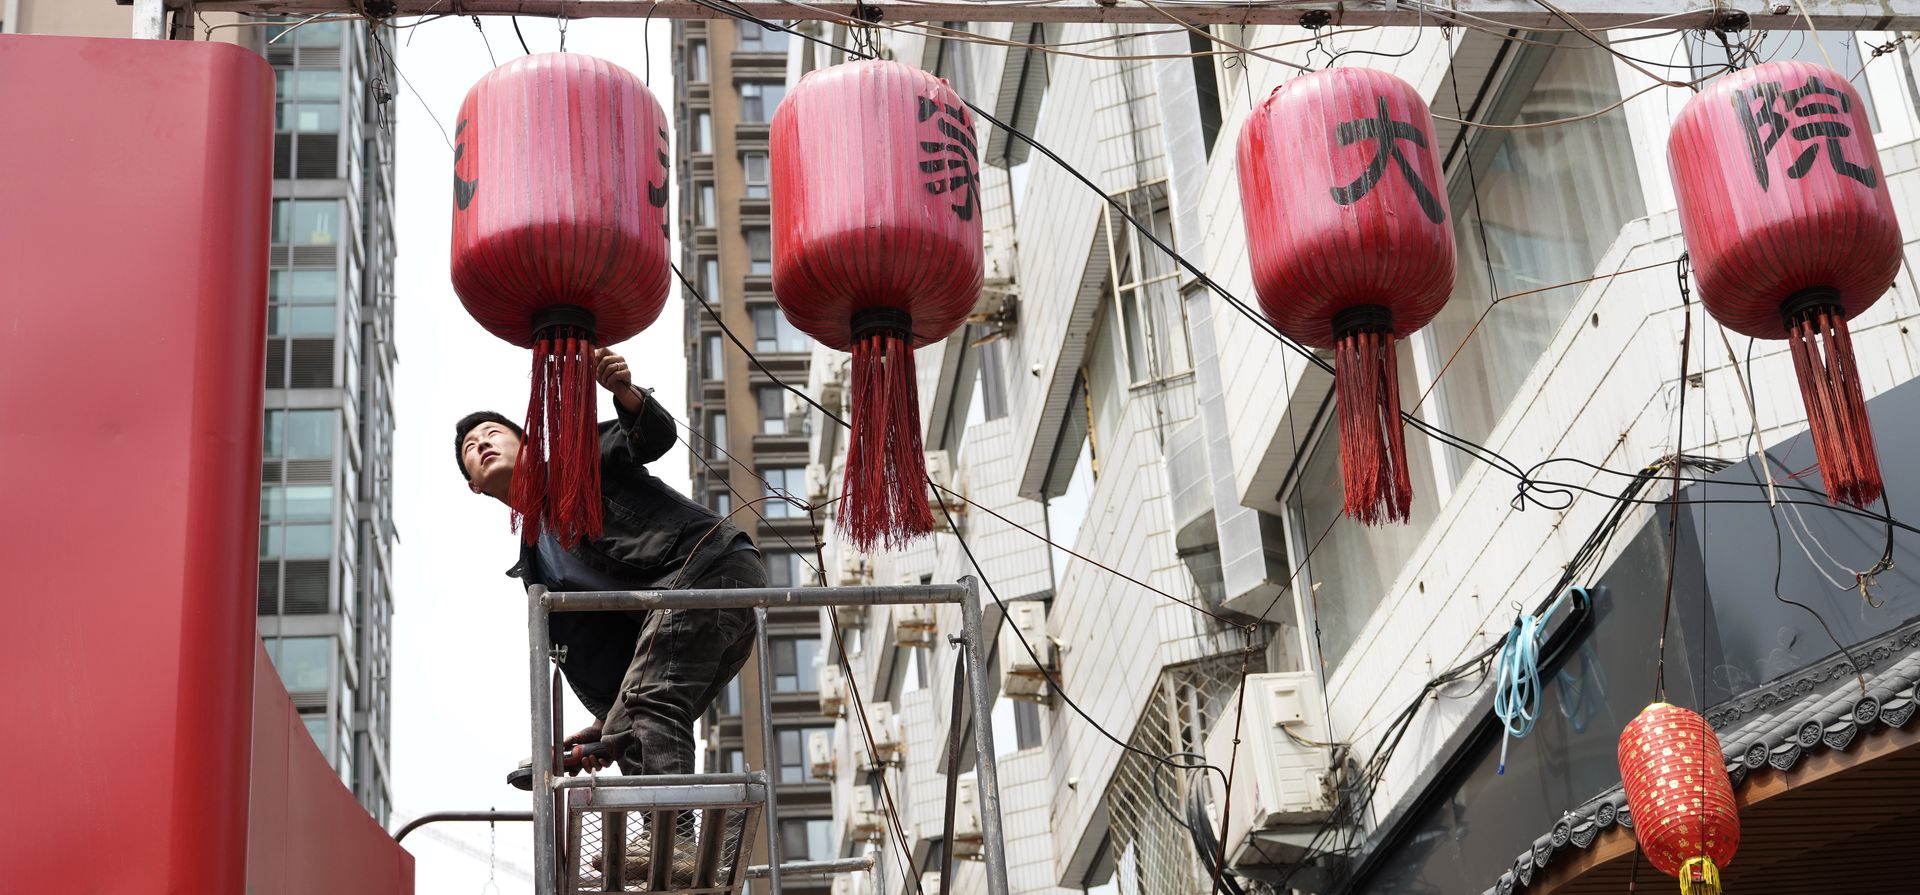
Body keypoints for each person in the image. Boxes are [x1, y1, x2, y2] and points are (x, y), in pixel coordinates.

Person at [455, 348, 764, 791]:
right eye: (471, 447)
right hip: (688, 612)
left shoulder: (574, 465)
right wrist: (607, 724)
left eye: (493, 434)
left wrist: (625, 393)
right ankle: (664, 848)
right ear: (474, 485)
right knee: (632, 722)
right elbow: (608, 650)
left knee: (646, 703)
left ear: (527, 444)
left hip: (709, 568)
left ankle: (670, 838)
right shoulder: (537, 568)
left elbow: (649, 438)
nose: (483, 443)